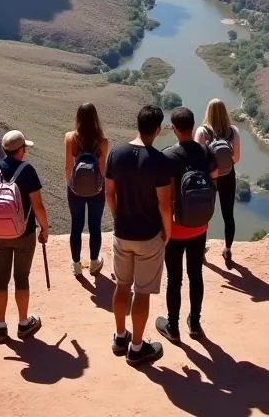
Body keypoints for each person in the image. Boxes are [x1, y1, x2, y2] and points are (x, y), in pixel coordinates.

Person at [105, 104, 172, 367]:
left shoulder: (116, 154)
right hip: (148, 236)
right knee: (142, 292)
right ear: (157, 129)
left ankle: (120, 337)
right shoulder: (159, 161)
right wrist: (168, 231)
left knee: (122, 286)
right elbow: (164, 205)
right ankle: (136, 349)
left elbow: (109, 193)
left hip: (122, 233)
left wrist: (117, 216)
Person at [0, 130, 49, 343]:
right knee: (21, 277)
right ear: (20, 150)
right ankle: (22, 323)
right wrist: (44, 229)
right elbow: (37, 206)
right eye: (24, 148)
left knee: (0, 277)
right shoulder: (27, 171)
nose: (25, 151)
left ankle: (0, 326)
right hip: (24, 234)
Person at [158, 107, 217, 343]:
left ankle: (173, 326)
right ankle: (195, 323)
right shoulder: (205, 151)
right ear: (193, 126)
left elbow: (163, 197)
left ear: (173, 129)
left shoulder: (168, 156)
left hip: (175, 228)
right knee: (196, 274)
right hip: (199, 226)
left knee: (174, 278)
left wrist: (163, 227)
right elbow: (213, 182)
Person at [64, 102, 109, 277]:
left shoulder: (70, 138)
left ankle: (76, 265)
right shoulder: (102, 142)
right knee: (95, 226)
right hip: (97, 191)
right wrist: (99, 187)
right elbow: (103, 170)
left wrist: (72, 187)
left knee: (76, 226)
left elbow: (68, 167)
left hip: (75, 190)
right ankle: (94, 263)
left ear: (78, 118)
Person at [195, 98, 241, 267]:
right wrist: (225, 164)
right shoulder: (233, 132)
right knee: (228, 214)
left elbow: (197, 160)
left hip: (208, 177)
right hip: (228, 176)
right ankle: (228, 249)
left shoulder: (202, 132)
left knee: (203, 214)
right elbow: (236, 158)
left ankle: (200, 251)